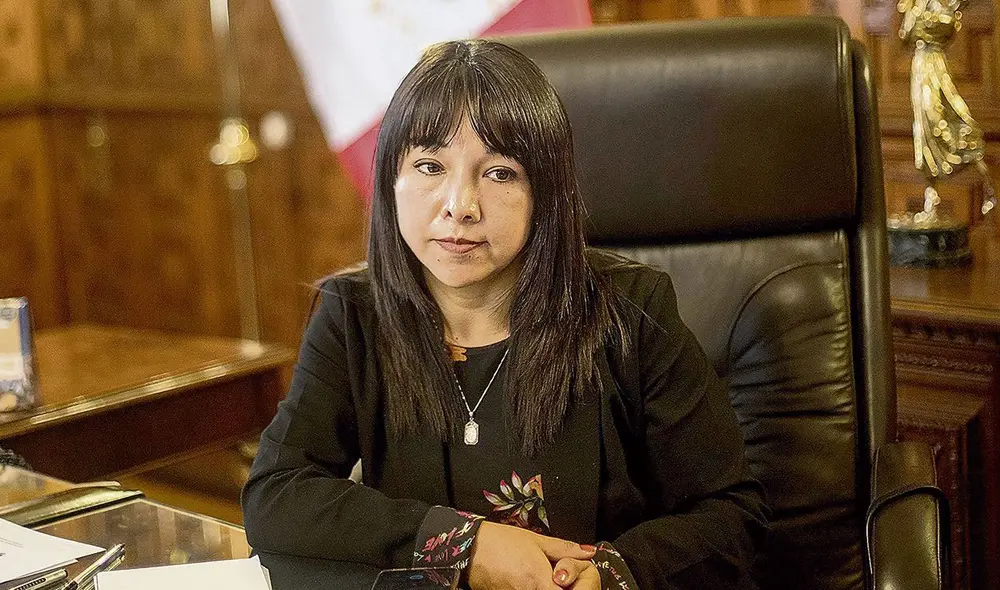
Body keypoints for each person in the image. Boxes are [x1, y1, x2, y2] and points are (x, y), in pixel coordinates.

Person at [242, 39, 768, 590]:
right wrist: (465, 546)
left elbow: (732, 516)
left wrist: (617, 573)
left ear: (545, 192)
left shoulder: (630, 316)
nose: (459, 205)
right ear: (389, 184)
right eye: (428, 165)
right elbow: (277, 495)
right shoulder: (353, 317)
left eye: (498, 173)